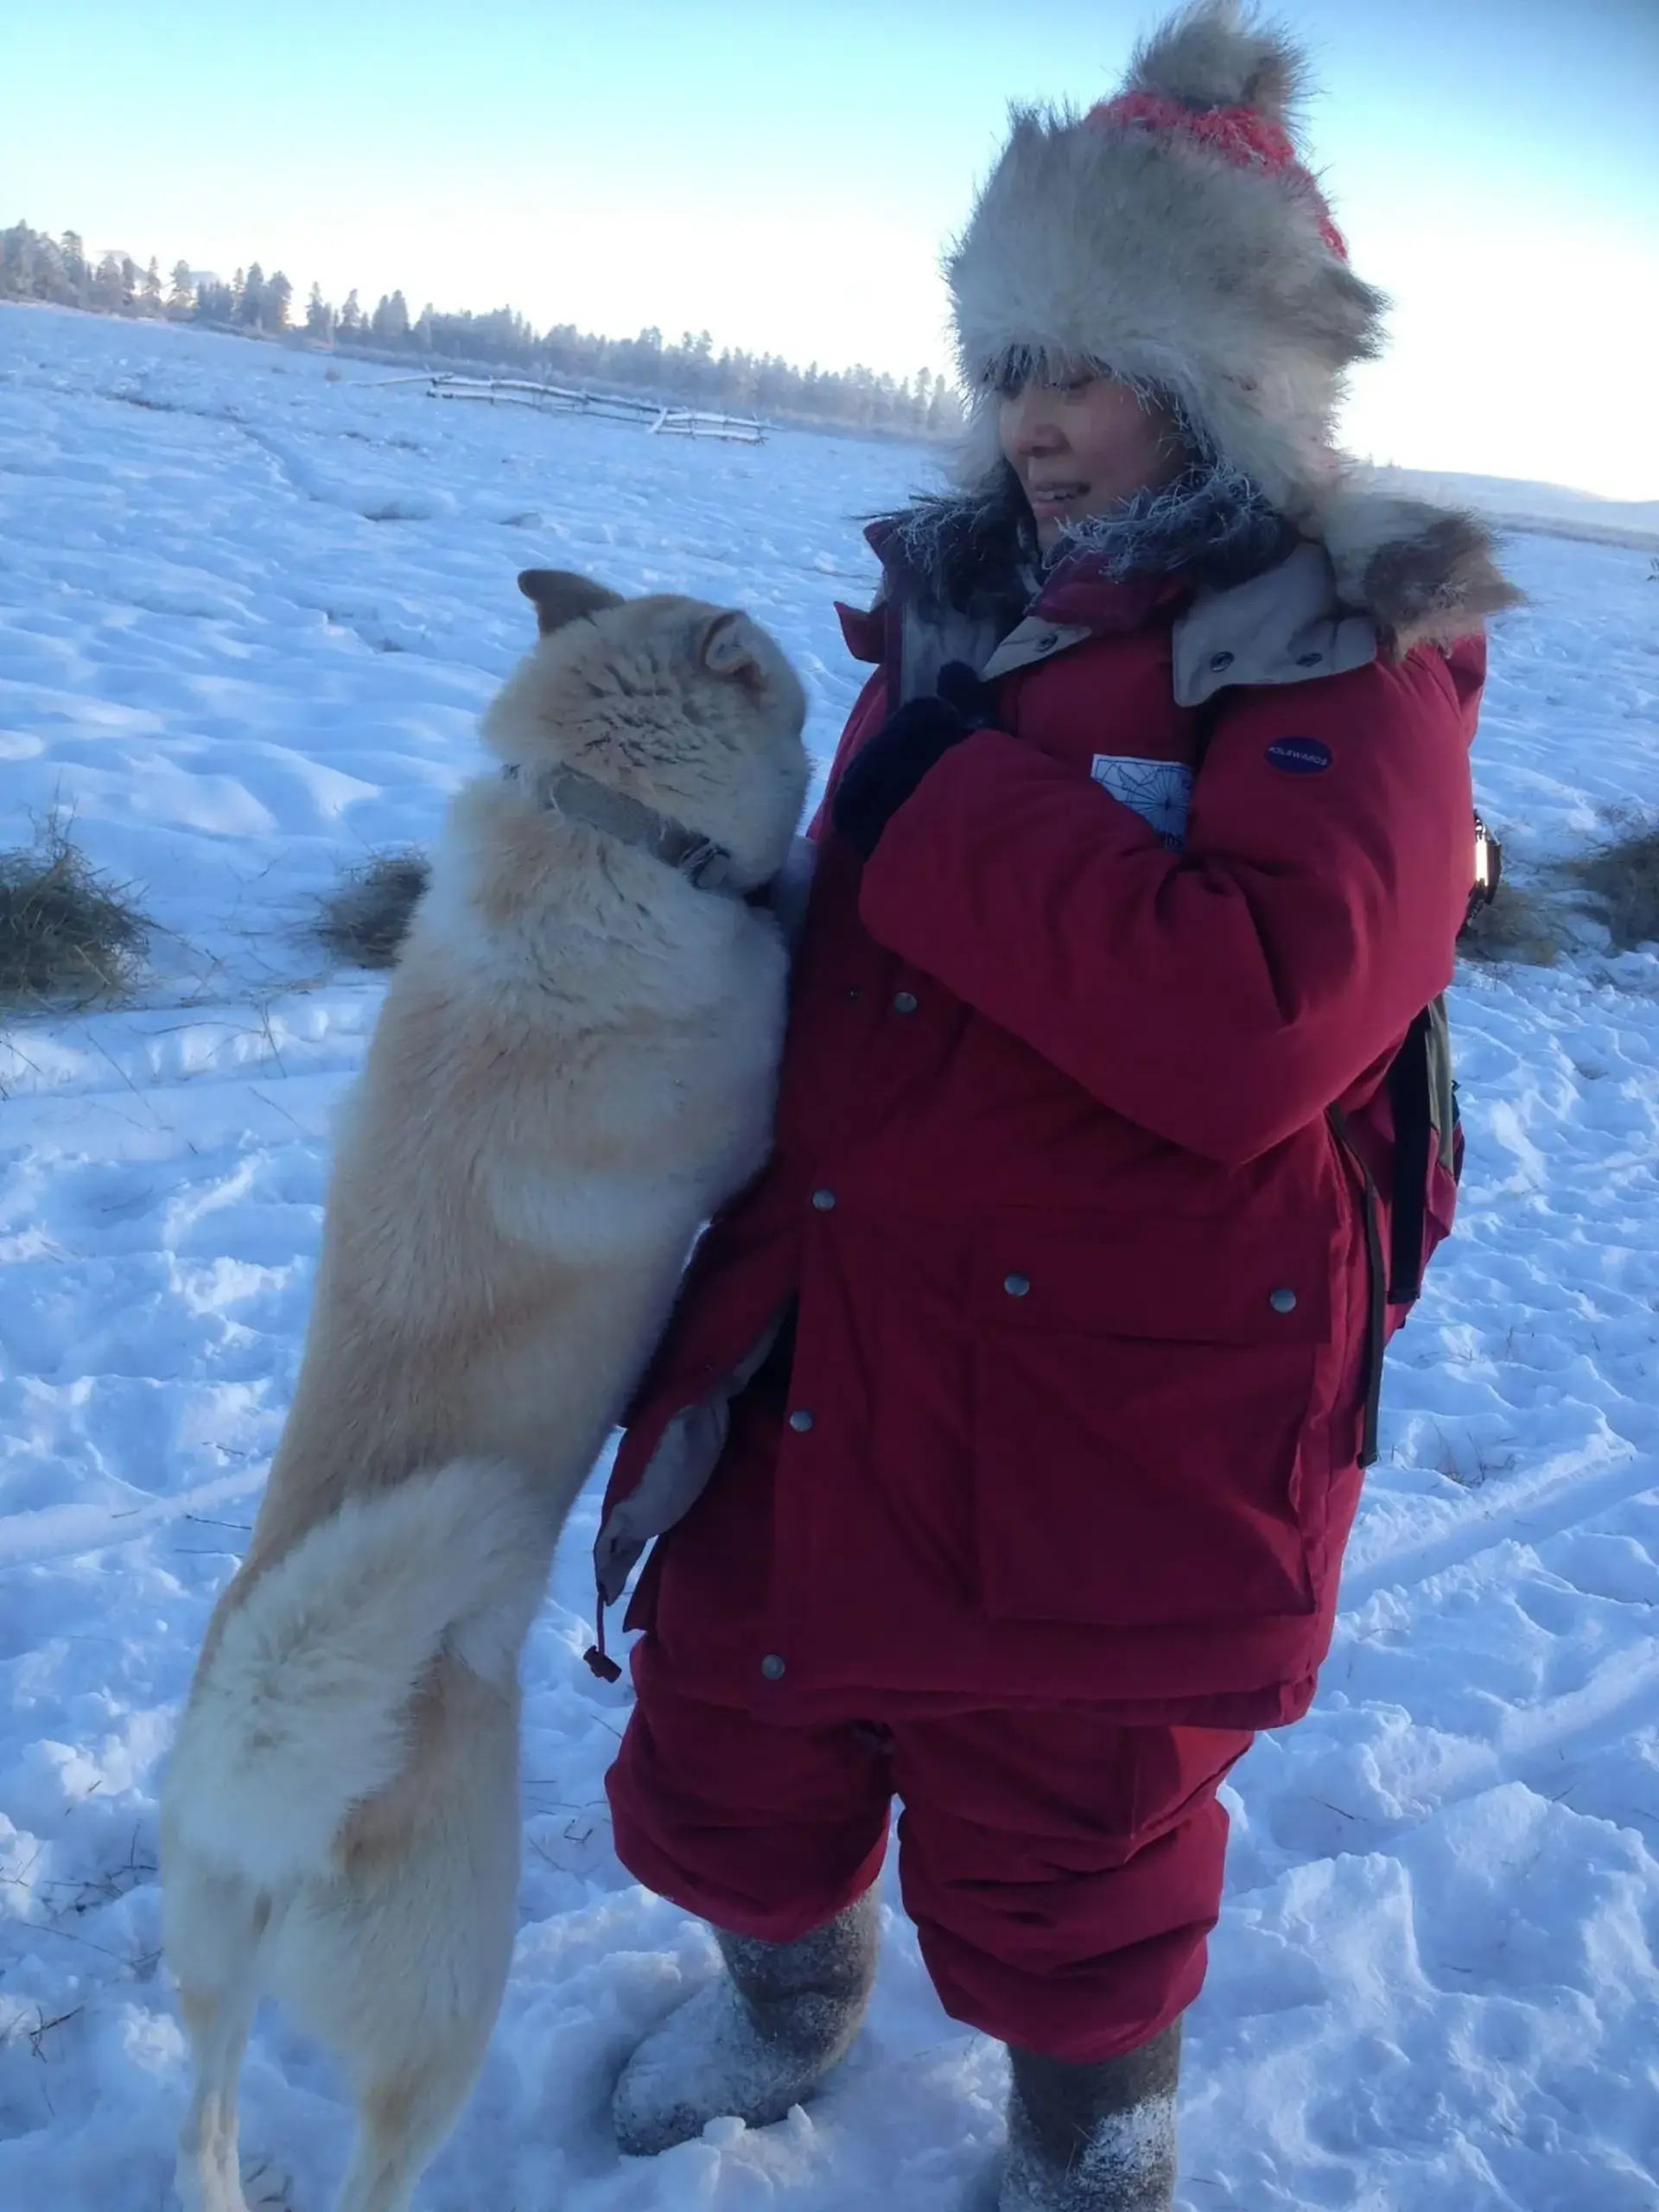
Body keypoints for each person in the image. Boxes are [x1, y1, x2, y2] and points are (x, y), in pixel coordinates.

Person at [589, 4, 1517, 2205]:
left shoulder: (1340, 649)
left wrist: (939, 800)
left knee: (1067, 1822)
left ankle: (1097, 2132)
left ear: (1215, 382)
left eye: (1078, 368)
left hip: (1120, 1397)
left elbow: (1267, 1021)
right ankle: (787, 1989)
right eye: (1003, 365)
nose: (1028, 423)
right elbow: (881, 934)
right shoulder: (962, 607)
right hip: (828, 1313)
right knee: (739, 1709)